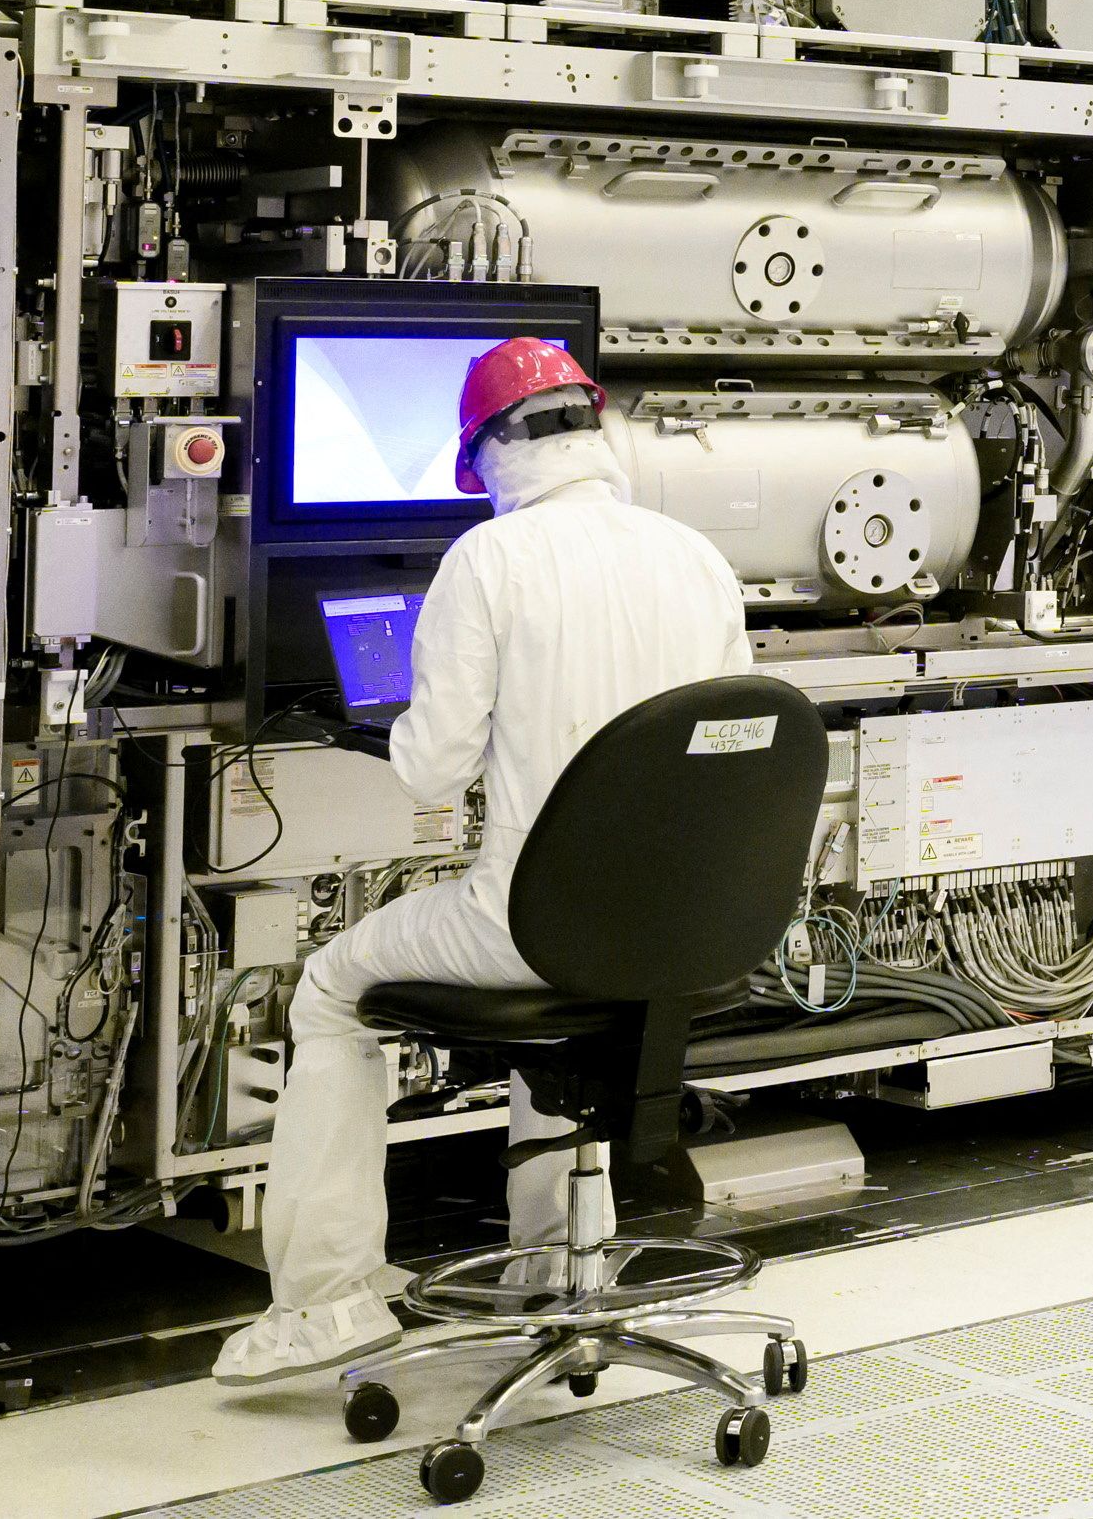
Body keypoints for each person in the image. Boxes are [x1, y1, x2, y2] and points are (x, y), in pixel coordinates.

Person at [213, 337, 751, 1386]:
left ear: (489, 455)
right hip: (687, 927)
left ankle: (325, 1305)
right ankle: (557, 1264)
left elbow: (432, 770)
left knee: (329, 988)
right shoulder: (695, 557)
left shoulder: (488, 559)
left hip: (531, 928)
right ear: (596, 428)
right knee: (577, 992)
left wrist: (398, 727)